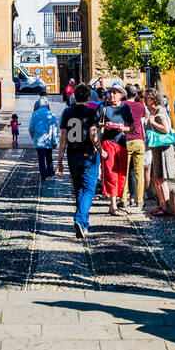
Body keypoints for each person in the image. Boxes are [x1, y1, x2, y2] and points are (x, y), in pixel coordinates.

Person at [56, 82, 101, 239]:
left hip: (72, 155)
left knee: (79, 189)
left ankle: (84, 224)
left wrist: (59, 161)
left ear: (74, 96)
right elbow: (93, 135)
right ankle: (80, 219)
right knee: (88, 190)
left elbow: (63, 138)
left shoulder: (67, 112)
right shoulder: (90, 112)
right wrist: (102, 151)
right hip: (88, 154)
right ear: (88, 97)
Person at [98, 82, 130, 213]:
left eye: (114, 92)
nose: (111, 95)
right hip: (108, 143)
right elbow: (96, 123)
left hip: (122, 143)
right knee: (111, 173)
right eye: (110, 92)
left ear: (121, 95)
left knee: (121, 174)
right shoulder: (103, 107)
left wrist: (124, 128)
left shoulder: (125, 108)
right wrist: (105, 125)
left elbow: (132, 127)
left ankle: (116, 202)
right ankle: (113, 205)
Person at [144, 87, 175, 216]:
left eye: (146, 97)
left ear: (152, 98)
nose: (144, 100)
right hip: (157, 149)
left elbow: (166, 129)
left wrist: (152, 122)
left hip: (163, 150)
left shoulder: (160, 112)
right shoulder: (153, 111)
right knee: (156, 178)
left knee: (161, 179)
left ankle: (165, 207)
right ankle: (161, 205)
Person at [119, 82, 147, 214]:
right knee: (139, 172)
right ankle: (139, 200)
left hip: (126, 139)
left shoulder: (122, 106)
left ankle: (123, 199)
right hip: (139, 140)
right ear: (136, 95)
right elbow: (143, 120)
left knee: (124, 171)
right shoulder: (141, 106)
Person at [29, 95, 60, 181]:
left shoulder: (35, 114)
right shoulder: (51, 114)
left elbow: (31, 128)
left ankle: (43, 174)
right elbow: (55, 129)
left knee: (41, 158)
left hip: (39, 140)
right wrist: (55, 141)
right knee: (49, 156)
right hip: (48, 140)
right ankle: (50, 171)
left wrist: (33, 137)